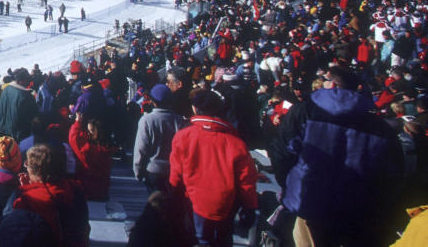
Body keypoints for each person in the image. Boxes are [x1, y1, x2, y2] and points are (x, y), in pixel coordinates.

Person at [271, 66, 404, 247]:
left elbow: (282, 153)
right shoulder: (379, 126)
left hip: (310, 200)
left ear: (331, 84)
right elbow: (391, 172)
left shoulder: (304, 112)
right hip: (356, 207)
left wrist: (290, 186)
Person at [169, 90, 258, 247]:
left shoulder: (183, 136)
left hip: (194, 201)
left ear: (195, 109)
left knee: (199, 240)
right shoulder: (236, 143)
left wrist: (172, 197)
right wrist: (250, 206)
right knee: (223, 238)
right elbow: (247, 180)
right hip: (226, 204)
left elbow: (176, 174)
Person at [133, 83, 186, 193]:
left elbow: (141, 148)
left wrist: (138, 170)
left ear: (153, 101)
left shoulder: (146, 120)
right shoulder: (179, 120)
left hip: (153, 170)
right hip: (173, 170)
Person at [0, 68, 37, 142]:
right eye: (26, 79)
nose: (28, 82)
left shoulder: (6, 90)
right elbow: (31, 118)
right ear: (20, 80)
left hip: (4, 133)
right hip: (19, 137)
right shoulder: (25, 96)